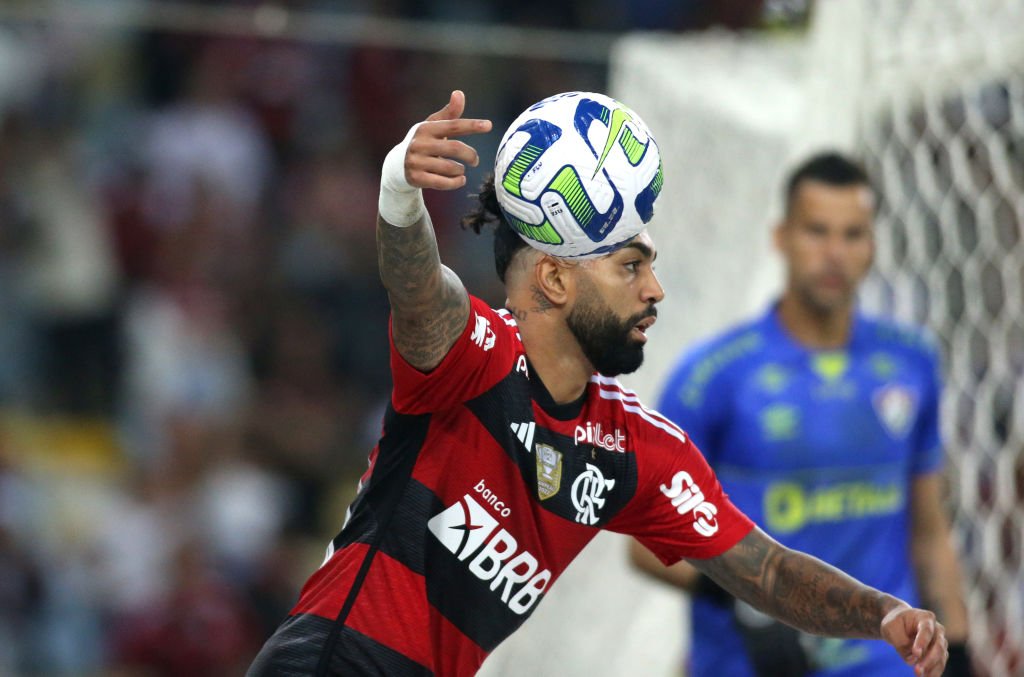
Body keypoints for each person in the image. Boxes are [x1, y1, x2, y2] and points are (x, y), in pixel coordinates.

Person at [248, 92, 948, 677]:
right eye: (630, 267)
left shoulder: (634, 448)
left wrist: (881, 612)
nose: (656, 289)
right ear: (555, 278)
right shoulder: (474, 357)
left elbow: (764, 570)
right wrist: (400, 192)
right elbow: (422, 295)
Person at [630, 152, 970, 676]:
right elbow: (646, 545)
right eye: (817, 231)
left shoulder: (912, 362)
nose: (834, 253)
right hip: (748, 666)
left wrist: (962, 649)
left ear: (873, 245)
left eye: (853, 234)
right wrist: (747, 604)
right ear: (781, 237)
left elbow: (929, 531)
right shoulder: (714, 376)